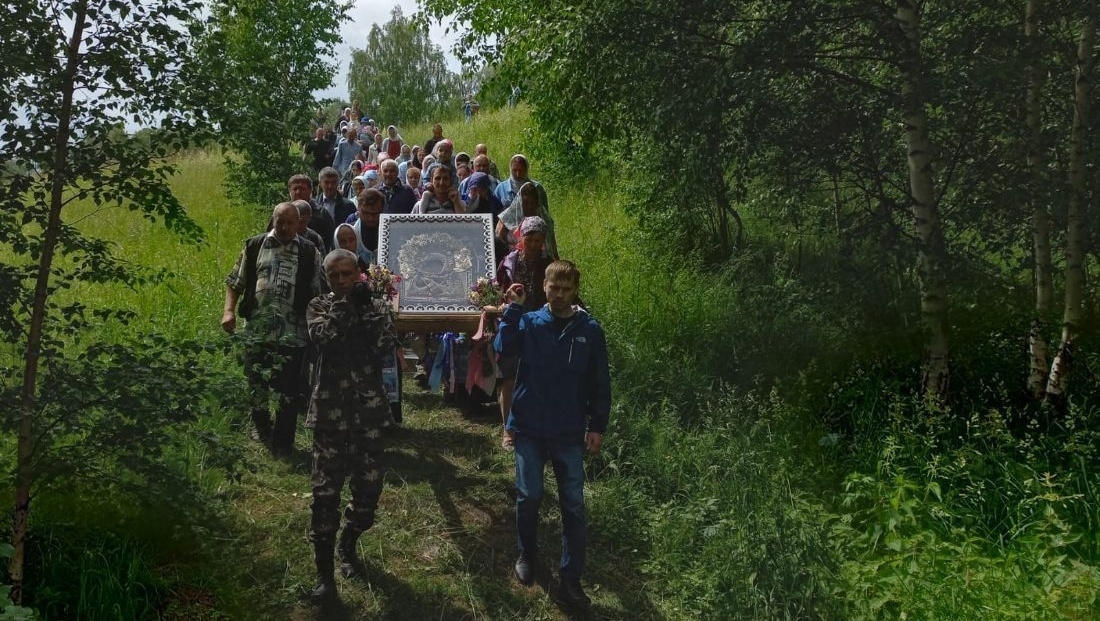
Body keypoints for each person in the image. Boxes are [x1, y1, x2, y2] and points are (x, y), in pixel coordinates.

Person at [494, 260, 611, 609]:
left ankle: (570, 578)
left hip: (568, 431)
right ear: (544, 286)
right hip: (529, 426)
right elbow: (504, 347)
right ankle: (526, 552)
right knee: (529, 495)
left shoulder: (589, 330)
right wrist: (512, 310)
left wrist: (597, 425)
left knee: (573, 504)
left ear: (575, 291)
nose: (559, 294)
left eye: (566, 289)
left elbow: (599, 381)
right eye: (553, 288)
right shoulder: (530, 322)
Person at [305, 248, 397, 604]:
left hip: (368, 415)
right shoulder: (318, 306)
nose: (342, 281)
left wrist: (365, 308)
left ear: (359, 274)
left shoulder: (376, 306)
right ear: (326, 278)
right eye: (335, 276)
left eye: (348, 274)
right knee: (324, 496)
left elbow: (383, 346)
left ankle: (348, 542)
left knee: (368, 495)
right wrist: (346, 307)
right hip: (330, 415)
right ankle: (324, 576)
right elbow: (324, 339)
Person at [222, 202, 324, 456]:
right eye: (281, 222)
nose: (285, 227)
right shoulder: (255, 246)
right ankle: (261, 427)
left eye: (290, 223)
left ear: (299, 223)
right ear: (273, 219)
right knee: (256, 382)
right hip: (257, 332)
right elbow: (235, 282)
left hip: (294, 334)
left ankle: (283, 440)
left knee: (289, 390)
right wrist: (228, 311)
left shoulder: (309, 252)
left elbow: (318, 293)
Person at [494, 217, 552, 449]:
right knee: (509, 379)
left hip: (540, 327)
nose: (534, 245)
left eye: (538, 240)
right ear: (521, 237)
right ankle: (508, 429)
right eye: (530, 239)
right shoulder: (509, 262)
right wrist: (505, 299)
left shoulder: (549, 264)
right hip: (512, 324)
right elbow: (496, 289)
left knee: (537, 377)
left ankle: (533, 426)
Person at [498, 181, 558, 259]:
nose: (529, 206)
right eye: (526, 203)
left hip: (542, 260)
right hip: (512, 260)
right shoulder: (507, 217)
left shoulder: (545, 219)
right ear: (520, 202)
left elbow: (552, 245)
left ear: (537, 203)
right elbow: (499, 241)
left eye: (532, 203)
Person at [289, 174, 336, 253]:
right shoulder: (282, 213)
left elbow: (331, 241)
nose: (298, 192)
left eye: (302, 189)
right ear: (289, 191)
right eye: (295, 189)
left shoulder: (322, 214)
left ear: (310, 190)